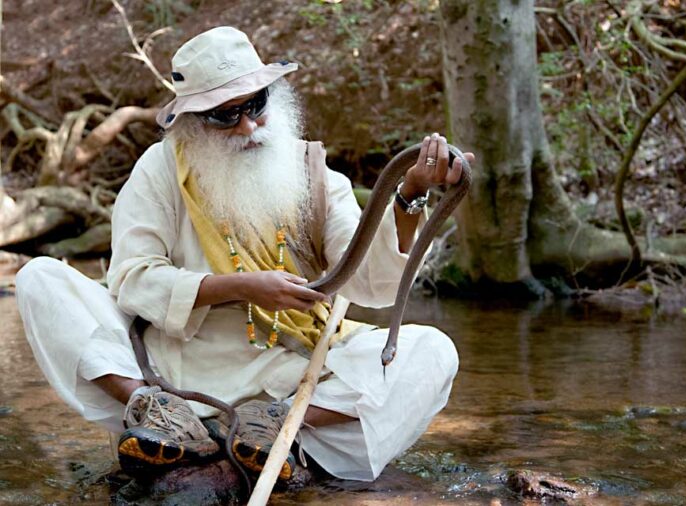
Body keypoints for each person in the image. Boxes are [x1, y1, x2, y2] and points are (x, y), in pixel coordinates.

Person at [15, 26, 474, 482]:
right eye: (225, 116)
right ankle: (153, 412)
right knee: (40, 279)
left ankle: (279, 426)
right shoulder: (159, 170)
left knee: (433, 351)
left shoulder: (312, 173)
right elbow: (132, 279)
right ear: (193, 123)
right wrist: (239, 288)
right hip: (173, 371)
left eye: (256, 105)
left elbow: (371, 285)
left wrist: (409, 195)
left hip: (288, 379)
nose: (248, 126)